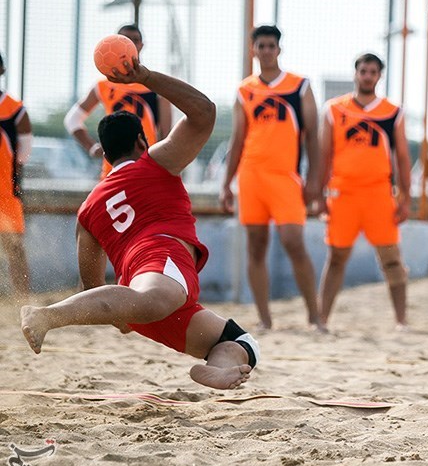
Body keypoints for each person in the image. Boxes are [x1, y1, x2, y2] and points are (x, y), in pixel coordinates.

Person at [20, 58, 259, 390]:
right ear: (141, 142)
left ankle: (217, 369)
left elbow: (91, 285)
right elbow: (203, 111)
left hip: (138, 293)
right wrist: (145, 77)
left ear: (105, 154)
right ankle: (46, 315)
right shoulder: (155, 162)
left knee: (242, 343)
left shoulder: (88, 208)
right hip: (160, 267)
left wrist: (121, 317)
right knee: (152, 301)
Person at [219, 24, 323, 331]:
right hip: (251, 176)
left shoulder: (299, 86)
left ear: (279, 49)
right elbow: (237, 139)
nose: (266, 51)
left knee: (294, 242)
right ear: (253, 50)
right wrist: (227, 182)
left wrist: (315, 180)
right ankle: (265, 320)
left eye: (271, 46)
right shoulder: (244, 90)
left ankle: (314, 316)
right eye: (260, 46)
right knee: (256, 246)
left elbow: (312, 137)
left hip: (285, 177)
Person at [317, 53, 412, 330]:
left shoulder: (393, 112)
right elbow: (325, 155)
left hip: (379, 194)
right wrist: (320, 195)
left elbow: (403, 158)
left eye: (373, 71)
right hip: (342, 193)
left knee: (392, 259)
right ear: (355, 73)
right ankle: (322, 320)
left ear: (379, 76)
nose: (367, 76)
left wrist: (405, 197)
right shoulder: (334, 109)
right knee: (336, 258)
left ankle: (401, 321)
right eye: (363, 71)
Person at [64, 24, 172, 179]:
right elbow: (72, 120)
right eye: (126, 39)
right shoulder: (103, 85)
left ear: (142, 45)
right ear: (115, 42)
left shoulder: (155, 85)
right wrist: (92, 147)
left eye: (135, 40)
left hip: (145, 171)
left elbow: (166, 136)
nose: (131, 44)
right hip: (112, 171)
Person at [0, 51, 32, 297]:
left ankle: (22, 299)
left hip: (5, 193)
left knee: (14, 249)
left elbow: (22, 156)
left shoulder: (15, 110)